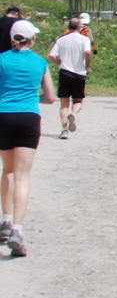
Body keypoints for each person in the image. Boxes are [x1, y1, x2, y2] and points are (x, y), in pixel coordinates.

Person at [0, 20, 55, 257]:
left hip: (3, 116)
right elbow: (51, 97)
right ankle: (18, 230)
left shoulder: (1, 59)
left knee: (8, 170)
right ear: (31, 39)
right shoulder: (40, 62)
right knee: (23, 175)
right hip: (29, 117)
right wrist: (33, 98)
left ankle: (5, 220)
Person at [48, 18, 92, 139]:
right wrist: (87, 65)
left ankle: (64, 130)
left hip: (65, 73)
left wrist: (60, 63)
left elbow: (51, 55)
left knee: (63, 104)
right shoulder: (84, 39)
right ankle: (74, 113)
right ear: (79, 27)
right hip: (79, 73)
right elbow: (87, 53)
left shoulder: (62, 40)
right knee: (78, 101)